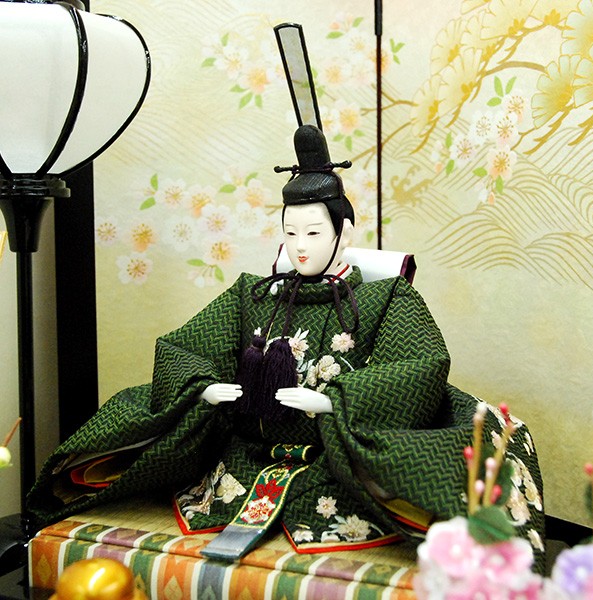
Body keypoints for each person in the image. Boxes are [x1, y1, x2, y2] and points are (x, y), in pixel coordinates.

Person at [28, 125, 544, 565]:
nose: (300, 246)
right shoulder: (253, 295)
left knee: (468, 452)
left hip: (336, 461)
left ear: (343, 233)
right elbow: (184, 346)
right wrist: (204, 388)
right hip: (245, 455)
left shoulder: (386, 298)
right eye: (290, 232)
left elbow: (420, 365)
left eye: (314, 233)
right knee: (130, 418)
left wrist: (336, 401)